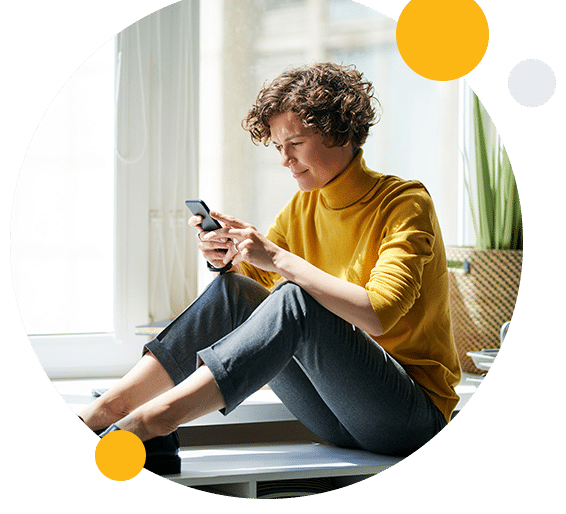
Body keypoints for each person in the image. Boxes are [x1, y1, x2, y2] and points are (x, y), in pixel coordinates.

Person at [78, 62, 461, 474]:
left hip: (410, 417)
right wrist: (227, 257)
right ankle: (111, 408)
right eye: (279, 147)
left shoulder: (404, 202)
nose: (286, 160)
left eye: (295, 142)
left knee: (298, 299)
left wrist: (275, 256)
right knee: (235, 292)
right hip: (334, 415)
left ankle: (155, 420)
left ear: (342, 131)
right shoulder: (303, 207)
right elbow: (253, 303)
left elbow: (378, 313)